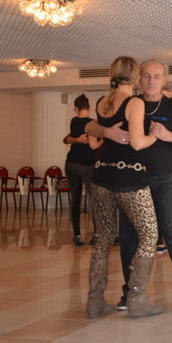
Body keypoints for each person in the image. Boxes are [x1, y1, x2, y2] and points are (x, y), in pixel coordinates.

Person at [88, 60, 172, 310]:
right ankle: (130, 294)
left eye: (157, 76)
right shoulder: (128, 102)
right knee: (128, 237)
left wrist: (170, 136)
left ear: (164, 80)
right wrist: (107, 133)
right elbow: (92, 125)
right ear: (138, 79)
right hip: (131, 180)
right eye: (147, 76)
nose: (152, 81)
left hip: (162, 180)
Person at [86, 56, 161, 318]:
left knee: (104, 238)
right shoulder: (135, 103)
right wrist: (155, 135)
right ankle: (137, 299)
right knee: (149, 234)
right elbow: (137, 143)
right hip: (129, 177)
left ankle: (95, 302)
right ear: (136, 77)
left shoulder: (103, 102)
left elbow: (92, 128)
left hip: (101, 177)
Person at [63, 94, 99, 246]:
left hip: (71, 163)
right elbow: (94, 142)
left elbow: (67, 138)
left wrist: (76, 140)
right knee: (94, 200)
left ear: (76, 109)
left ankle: (77, 235)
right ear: (89, 107)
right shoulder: (93, 123)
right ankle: (96, 234)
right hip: (88, 165)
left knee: (75, 199)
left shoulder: (73, 121)